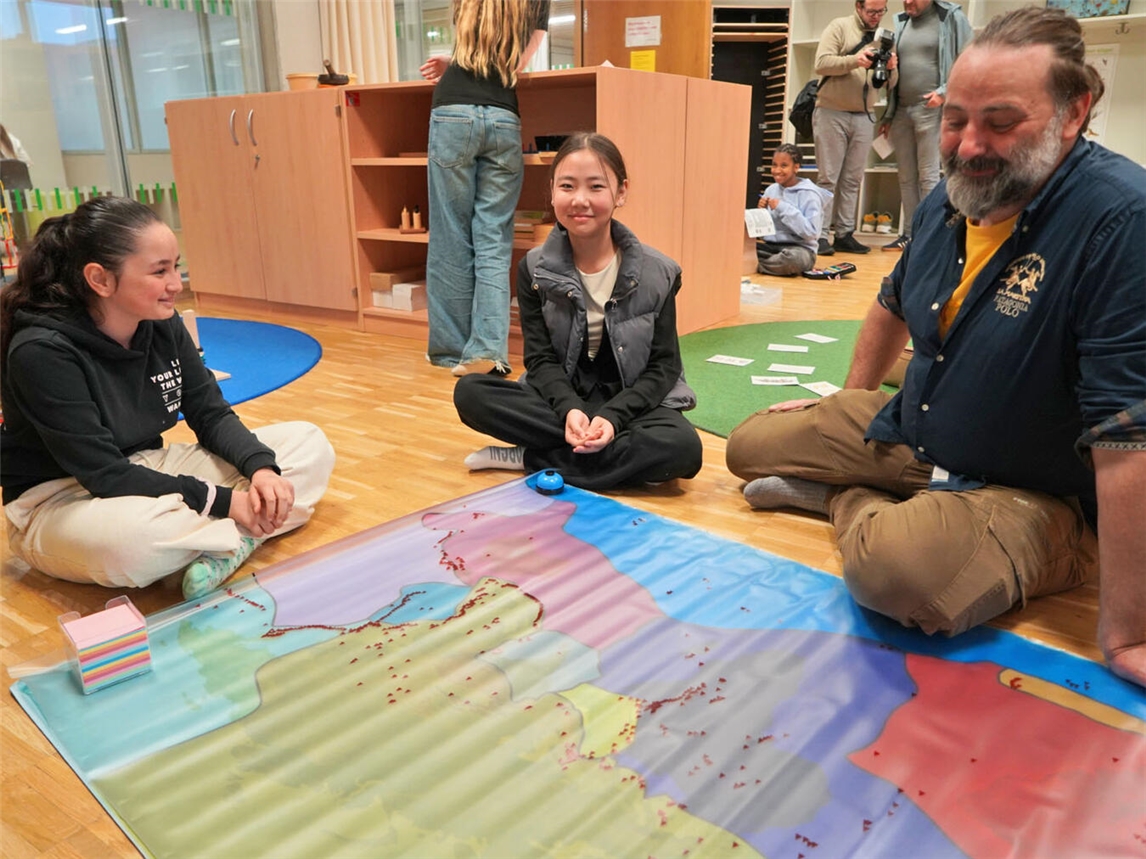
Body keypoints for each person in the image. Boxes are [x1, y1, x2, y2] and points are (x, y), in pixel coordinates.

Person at [725, 8, 1146, 688]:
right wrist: (850, 406)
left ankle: (843, 500)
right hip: (922, 429)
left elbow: (1129, 433)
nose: (970, 144)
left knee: (896, 574)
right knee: (748, 446)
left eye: (1000, 122)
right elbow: (891, 304)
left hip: (1038, 489)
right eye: (955, 120)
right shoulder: (949, 199)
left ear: (1074, 112)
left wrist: (1130, 631)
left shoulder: (1122, 222)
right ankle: (896, 497)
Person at [1, 197, 336, 599]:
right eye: (160, 271)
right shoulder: (41, 351)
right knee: (134, 543)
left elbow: (211, 414)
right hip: (59, 498)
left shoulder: (161, 321)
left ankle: (225, 544)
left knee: (307, 443)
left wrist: (262, 470)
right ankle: (241, 530)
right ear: (100, 279)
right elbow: (103, 474)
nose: (176, 284)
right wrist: (227, 501)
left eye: (175, 267)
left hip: (144, 468)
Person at [453, 132, 703, 490]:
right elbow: (539, 359)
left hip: (631, 400)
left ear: (621, 192)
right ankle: (603, 455)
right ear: (552, 191)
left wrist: (613, 417)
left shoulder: (658, 272)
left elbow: (664, 367)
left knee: (682, 449)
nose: (580, 200)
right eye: (567, 186)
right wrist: (570, 408)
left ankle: (530, 459)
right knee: (471, 393)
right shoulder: (534, 269)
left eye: (596, 186)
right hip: (563, 397)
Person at [419, 0, 551, 376]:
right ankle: (488, 351)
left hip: (453, 113)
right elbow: (513, 65)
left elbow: (476, 53)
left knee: (451, 237)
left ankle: (451, 350)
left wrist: (453, 64)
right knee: (493, 238)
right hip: (503, 117)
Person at [876, 0, 973, 252]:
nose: (908, 1)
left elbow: (969, 59)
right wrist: (888, 115)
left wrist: (943, 92)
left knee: (928, 175)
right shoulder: (901, 22)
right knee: (906, 177)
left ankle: (930, 236)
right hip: (901, 110)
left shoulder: (951, 17)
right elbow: (895, 70)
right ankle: (910, 235)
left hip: (931, 109)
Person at [812, 0, 898, 257]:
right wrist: (855, 60)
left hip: (864, 115)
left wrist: (892, 69)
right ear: (859, 7)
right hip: (831, 112)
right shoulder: (839, 27)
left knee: (852, 179)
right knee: (828, 178)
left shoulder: (886, 39)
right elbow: (821, 63)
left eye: (881, 11)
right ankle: (819, 235)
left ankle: (844, 234)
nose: (876, 16)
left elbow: (890, 84)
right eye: (871, 11)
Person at [755, 144, 831, 277]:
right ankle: (764, 264)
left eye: (784, 166)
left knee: (795, 260)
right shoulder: (771, 190)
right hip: (771, 247)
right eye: (774, 165)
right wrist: (760, 211)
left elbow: (811, 232)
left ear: (796, 167)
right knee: (738, 248)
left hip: (800, 249)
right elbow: (762, 232)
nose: (777, 170)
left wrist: (783, 208)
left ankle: (755, 265)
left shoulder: (809, 194)